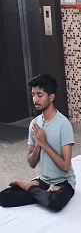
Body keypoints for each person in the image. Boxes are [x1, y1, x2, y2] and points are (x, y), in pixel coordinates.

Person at [0, 73, 75, 211]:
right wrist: (38, 145)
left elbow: (65, 166)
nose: (35, 99)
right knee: (4, 197)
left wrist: (44, 143)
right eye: (33, 94)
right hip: (43, 182)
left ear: (51, 97)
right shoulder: (35, 124)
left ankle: (30, 187)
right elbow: (31, 163)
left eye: (40, 95)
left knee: (55, 203)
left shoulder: (64, 124)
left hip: (63, 183)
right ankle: (40, 192)